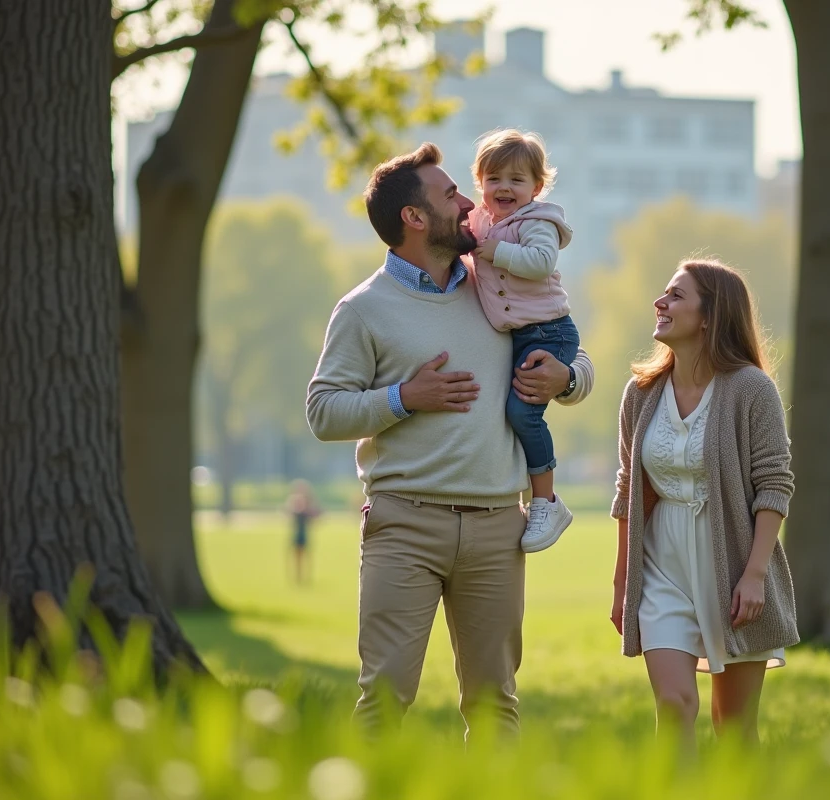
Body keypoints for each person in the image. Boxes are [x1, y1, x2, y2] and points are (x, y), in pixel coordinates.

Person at [305, 142, 594, 740]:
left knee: (495, 707)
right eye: (450, 195)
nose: (470, 202)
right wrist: (405, 398)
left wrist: (568, 379)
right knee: (384, 699)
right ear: (414, 219)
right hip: (404, 525)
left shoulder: (495, 286)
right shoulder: (363, 311)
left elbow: (573, 356)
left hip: (497, 525)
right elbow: (324, 412)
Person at [609, 259, 798, 748]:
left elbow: (774, 484)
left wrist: (754, 574)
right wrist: (622, 581)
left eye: (675, 295)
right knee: (674, 706)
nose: (660, 302)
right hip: (660, 568)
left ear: (710, 315)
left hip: (731, 562)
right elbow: (629, 488)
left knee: (733, 727)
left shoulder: (752, 389)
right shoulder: (641, 393)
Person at [467, 129, 578, 553]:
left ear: (536, 187)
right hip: (518, 334)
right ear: (481, 185)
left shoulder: (538, 223)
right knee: (505, 408)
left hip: (549, 332)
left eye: (516, 179)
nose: (504, 188)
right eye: (494, 178)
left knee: (523, 412)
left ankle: (546, 502)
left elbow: (539, 262)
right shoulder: (480, 222)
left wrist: (492, 251)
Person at [285, 479, 320, 585]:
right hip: (296, 534)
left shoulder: (308, 505)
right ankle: (298, 577)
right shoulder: (293, 503)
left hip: (304, 534)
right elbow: (287, 514)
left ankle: (306, 577)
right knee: (297, 557)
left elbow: (316, 515)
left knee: (306, 556)